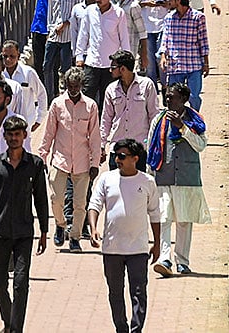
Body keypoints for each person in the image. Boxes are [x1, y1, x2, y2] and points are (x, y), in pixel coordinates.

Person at [0, 115, 49, 333]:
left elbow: (41, 199)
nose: (14, 138)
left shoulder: (35, 165)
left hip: (24, 233)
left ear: (24, 135)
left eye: (18, 134)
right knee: (0, 283)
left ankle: (16, 329)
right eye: (10, 134)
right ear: (5, 136)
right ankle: (8, 321)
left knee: (20, 283)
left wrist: (43, 231)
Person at [88, 138, 161, 333]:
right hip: (112, 249)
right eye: (116, 156)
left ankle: (136, 330)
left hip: (138, 249)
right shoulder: (106, 179)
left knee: (139, 292)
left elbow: (155, 214)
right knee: (115, 293)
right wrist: (93, 228)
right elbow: (94, 205)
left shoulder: (147, 182)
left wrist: (157, 243)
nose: (117, 160)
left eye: (122, 156)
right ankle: (121, 328)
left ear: (135, 158)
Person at [146, 82, 210, 277]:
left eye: (171, 96)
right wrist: (150, 176)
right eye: (166, 96)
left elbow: (201, 145)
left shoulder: (195, 120)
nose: (167, 99)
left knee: (184, 220)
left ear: (183, 99)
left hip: (186, 177)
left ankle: (182, 261)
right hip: (163, 175)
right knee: (164, 217)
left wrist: (182, 128)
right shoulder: (159, 120)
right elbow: (151, 148)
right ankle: (164, 259)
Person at [39, 66, 101, 252]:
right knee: (56, 198)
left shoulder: (90, 106)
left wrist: (95, 163)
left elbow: (95, 137)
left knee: (80, 204)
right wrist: (43, 155)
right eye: (70, 86)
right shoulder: (57, 104)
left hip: (82, 162)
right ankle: (60, 225)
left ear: (81, 85)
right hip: (60, 160)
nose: (73, 89)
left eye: (76, 86)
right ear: (65, 84)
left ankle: (75, 237)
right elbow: (49, 132)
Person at [75, 0, 130, 109]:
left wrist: (126, 63)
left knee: (108, 99)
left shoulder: (119, 13)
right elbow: (83, 34)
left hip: (111, 65)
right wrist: (79, 57)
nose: (98, 0)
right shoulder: (89, 11)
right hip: (92, 62)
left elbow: (124, 38)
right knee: (87, 96)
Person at [100, 50, 158, 171]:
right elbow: (106, 119)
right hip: (117, 148)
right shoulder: (111, 89)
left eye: (113, 67)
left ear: (122, 69)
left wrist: (154, 144)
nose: (110, 70)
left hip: (140, 149)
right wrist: (102, 144)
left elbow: (154, 116)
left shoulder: (147, 85)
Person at [158, 0, 210, 112]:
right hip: (175, 65)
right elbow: (165, 39)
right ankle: (176, 120)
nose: (168, 3)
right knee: (174, 97)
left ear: (178, 0)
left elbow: (203, 41)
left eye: (171, 0)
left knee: (194, 97)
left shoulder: (198, 17)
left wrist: (206, 63)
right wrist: (163, 56)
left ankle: (194, 119)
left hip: (193, 65)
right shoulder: (169, 18)